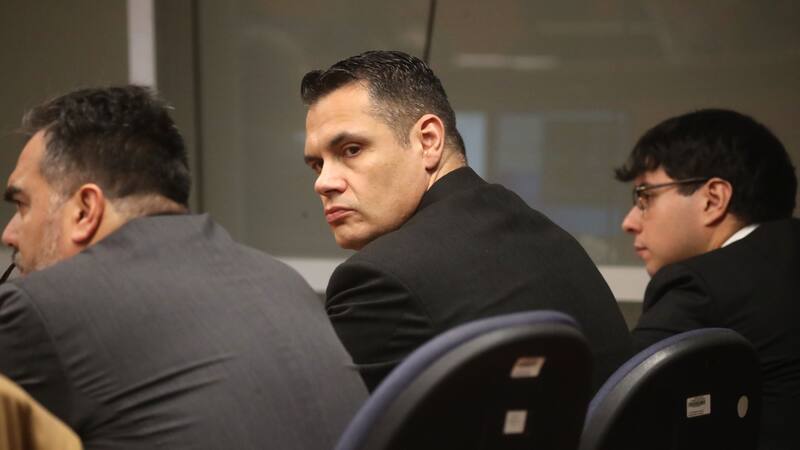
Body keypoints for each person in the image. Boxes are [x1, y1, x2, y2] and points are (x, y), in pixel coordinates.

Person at [0, 86, 366, 449]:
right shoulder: (281, 281)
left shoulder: (37, 311)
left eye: (22, 205)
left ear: (84, 210)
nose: (9, 233)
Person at [300, 50, 631, 392]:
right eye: (317, 165)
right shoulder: (551, 240)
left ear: (428, 141)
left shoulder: (381, 279)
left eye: (351, 150)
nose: (323, 183)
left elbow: (312, 414)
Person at [616, 108, 799, 450]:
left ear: (713, 199)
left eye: (645, 197)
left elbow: (613, 408)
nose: (629, 222)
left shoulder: (700, 286)